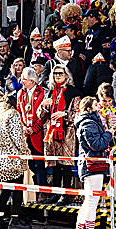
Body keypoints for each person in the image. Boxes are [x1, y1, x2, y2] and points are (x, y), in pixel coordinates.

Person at [0, 93, 32, 229]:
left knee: (4, 188)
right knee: (16, 189)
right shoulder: (12, 114)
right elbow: (17, 138)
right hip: (11, 159)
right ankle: (14, 219)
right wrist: (26, 153)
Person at [72, 96, 113, 229]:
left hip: (91, 164)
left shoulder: (88, 122)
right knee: (91, 202)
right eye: (96, 104)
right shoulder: (88, 123)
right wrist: (109, 134)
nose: (99, 106)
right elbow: (96, 144)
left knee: (88, 202)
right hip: (92, 164)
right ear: (89, 108)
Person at [38, 63, 81, 196]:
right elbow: (40, 115)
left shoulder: (73, 92)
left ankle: (66, 195)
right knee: (55, 164)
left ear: (66, 76)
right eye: (55, 73)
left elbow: (78, 113)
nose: (58, 76)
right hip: (51, 132)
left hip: (67, 132)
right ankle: (55, 194)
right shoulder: (50, 92)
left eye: (60, 73)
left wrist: (64, 114)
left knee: (66, 164)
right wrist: (43, 106)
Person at [16, 68, 47, 187]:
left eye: (24, 79)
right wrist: (23, 126)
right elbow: (18, 111)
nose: (22, 81)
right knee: (28, 164)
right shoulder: (20, 93)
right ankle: (31, 191)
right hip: (25, 133)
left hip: (38, 133)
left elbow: (44, 114)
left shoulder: (43, 92)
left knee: (39, 164)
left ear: (33, 80)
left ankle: (42, 191)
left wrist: (34, 128)